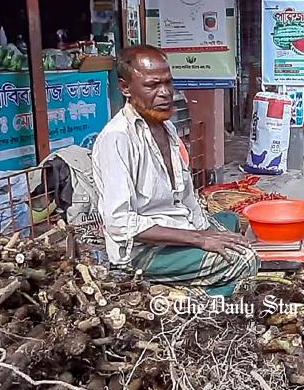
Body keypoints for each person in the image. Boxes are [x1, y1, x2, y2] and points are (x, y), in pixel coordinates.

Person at [92, 45, 260, 296]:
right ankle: (191, 299)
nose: (165, 93)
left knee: (232, 222)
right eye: (152, 85)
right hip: (142, 251)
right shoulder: (117, 138)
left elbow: (187, 199)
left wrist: (210, 233)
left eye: (168, 83)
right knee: (245, 259)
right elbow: (119, 223)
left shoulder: (166, 128)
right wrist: (200, 240)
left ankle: (200, 281)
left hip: (179, 228)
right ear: (125, 88)